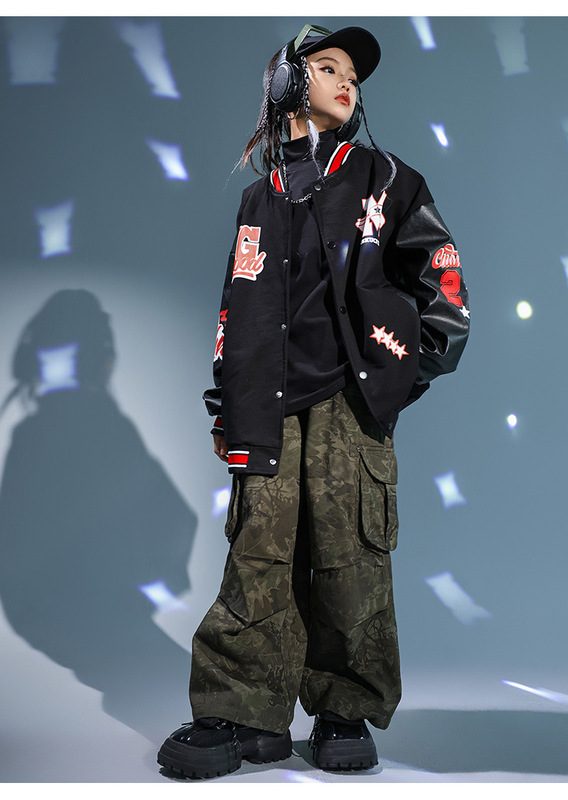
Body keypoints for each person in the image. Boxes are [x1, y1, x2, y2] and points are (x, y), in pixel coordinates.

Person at [157, 23, 469, 779]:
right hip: (264, 411)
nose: (346, 81)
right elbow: (236, 308)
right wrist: (226, 406)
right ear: (285, 82)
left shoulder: (386, 180)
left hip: (345, 409)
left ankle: (342, 710)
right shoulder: (258, 198)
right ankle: (243, 714)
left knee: (349, 561)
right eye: (327, 67)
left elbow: (444, 288)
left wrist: (394, 376)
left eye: (353, 75)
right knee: (256, 559)